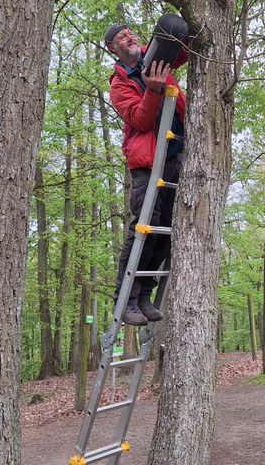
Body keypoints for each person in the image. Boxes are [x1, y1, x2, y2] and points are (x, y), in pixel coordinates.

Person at [105, 21, 187, 326]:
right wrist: (153, 89)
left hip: (175, 159)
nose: (130, 37)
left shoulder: (154, 60)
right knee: (145, 229)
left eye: (131, 32)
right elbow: (139, 120)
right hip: (147, 164)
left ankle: (145, 295)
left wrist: (181, 31)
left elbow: (183, 51)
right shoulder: (120, 83)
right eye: (122, 37)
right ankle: (127, 300)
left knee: (167, 234)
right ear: (113, 48)